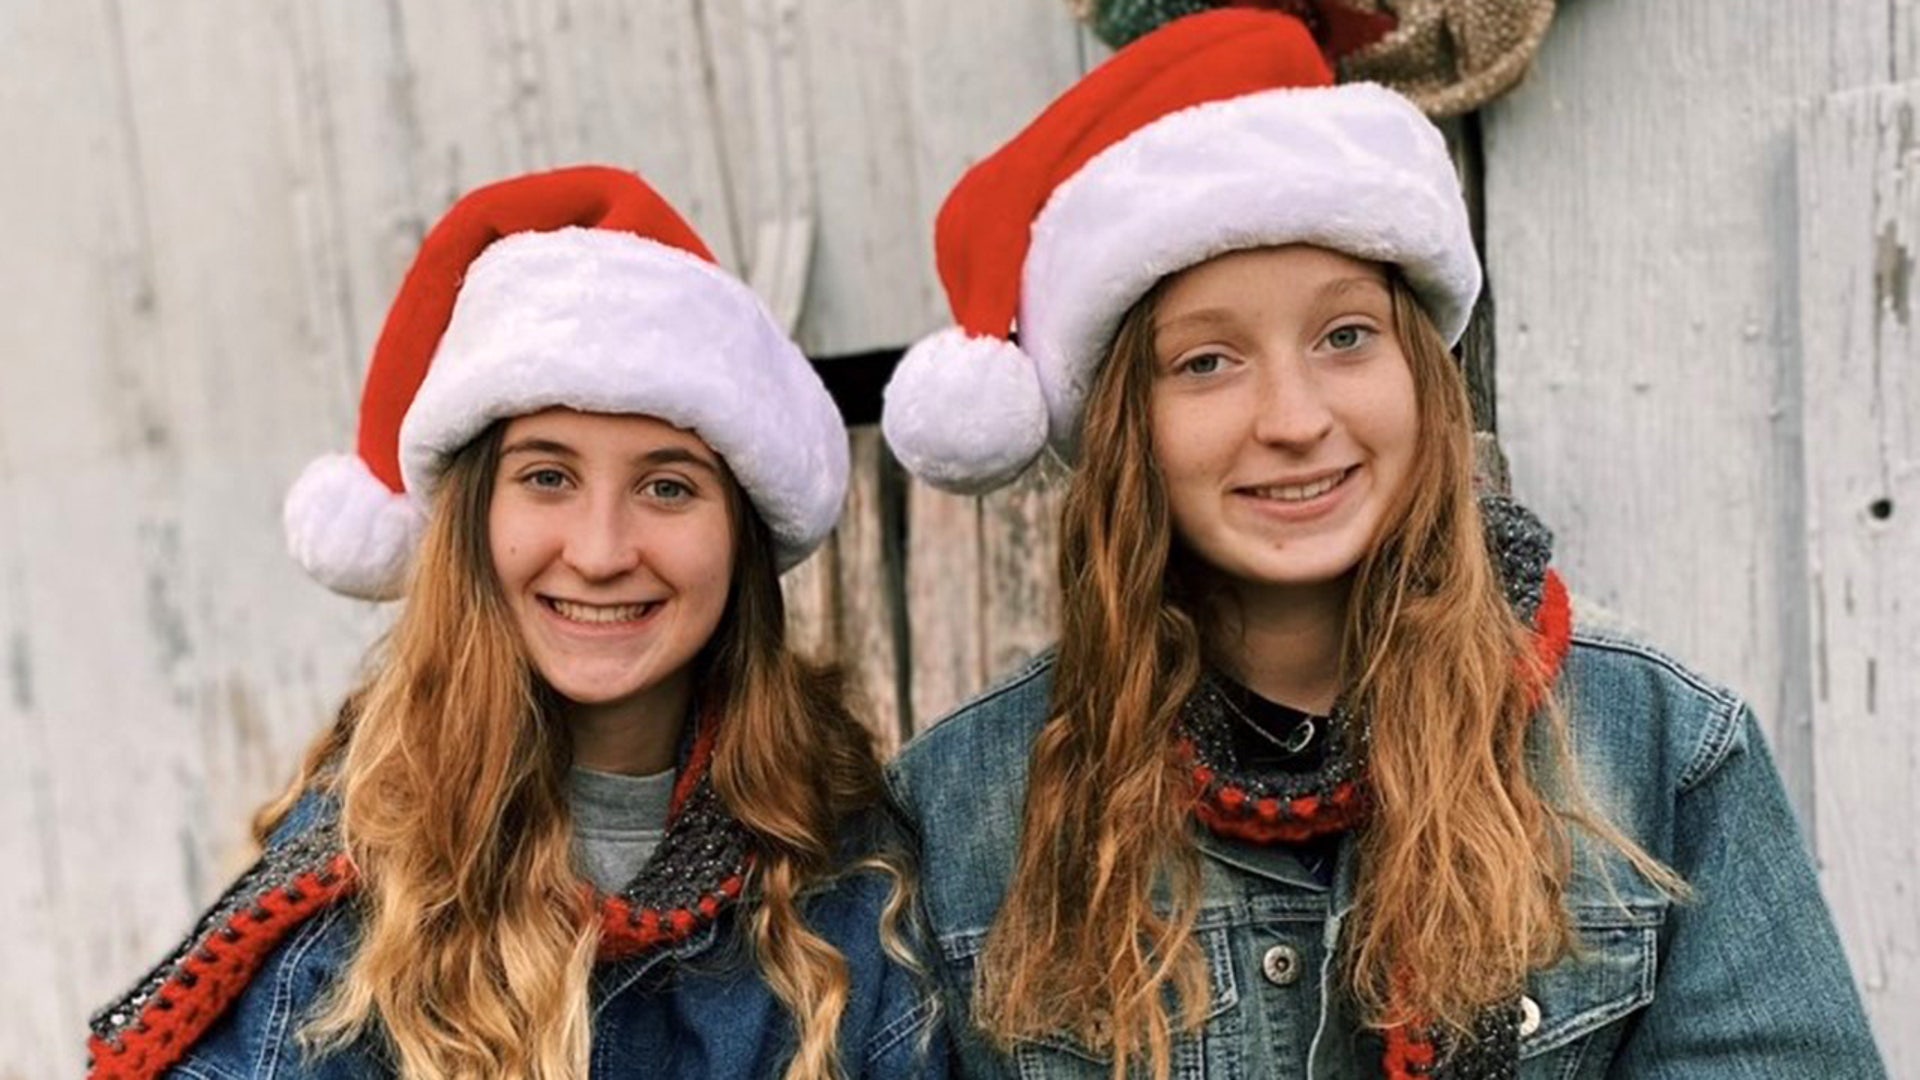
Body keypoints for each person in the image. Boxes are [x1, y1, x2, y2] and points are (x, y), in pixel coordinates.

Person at [879, 10, 1886, 1079]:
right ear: (1126, 427)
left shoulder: (1657, 753)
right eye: (1208, 362)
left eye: (1345, 336)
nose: (1296, 417)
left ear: (1423, 371)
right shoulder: (961, 809)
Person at [88, 166, 943, 1080]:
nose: (603, 550)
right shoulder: (350, 909)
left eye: (667, 486)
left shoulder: (842, 869)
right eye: (547, 477)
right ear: (472, 524)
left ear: (741, 533)